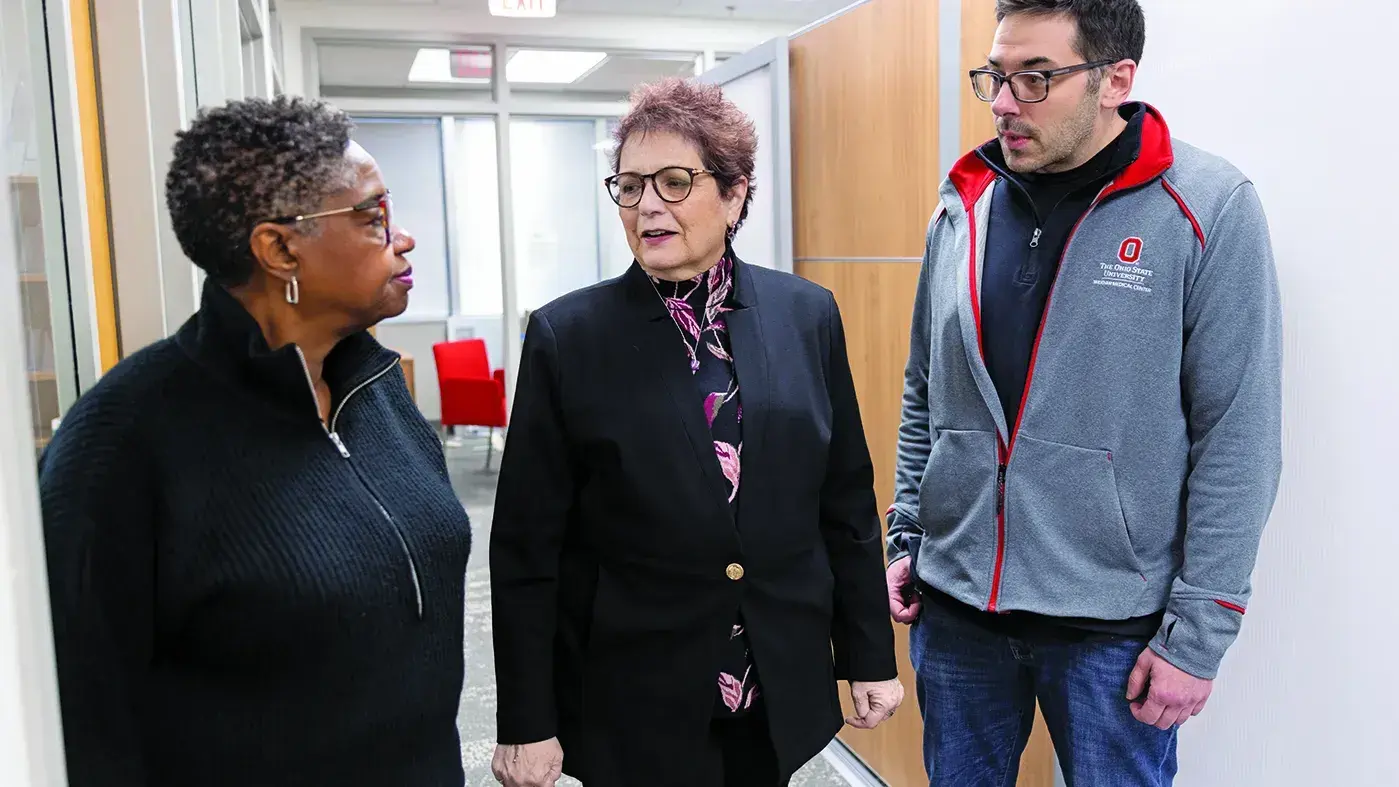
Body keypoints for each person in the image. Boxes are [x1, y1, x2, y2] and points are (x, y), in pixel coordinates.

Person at [884, 1, 1282, 785]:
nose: (1003, 101)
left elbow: (1238, 434)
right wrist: (906, 530)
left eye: (1035, 77)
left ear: (1114, 79)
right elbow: (924, 390)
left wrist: (1197, 635)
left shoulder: (1205, 206)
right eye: (995, 76)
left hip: (1113, 631)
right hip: (958, 611)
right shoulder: (962, 203)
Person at [38, 96, 473, 787]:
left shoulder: (374, 384)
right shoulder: (121, 443)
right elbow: (86, 722)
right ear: (278, 248)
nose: (403, 236)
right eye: (372, 216)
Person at [489, 77, 902, 787]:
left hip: (774, 674)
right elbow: (527, 547)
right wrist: (527, 719)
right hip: (633, 687)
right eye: (629, 185)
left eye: (675, 182)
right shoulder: (567, 336)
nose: (647, 204)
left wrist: (866, 652)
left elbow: (844, 500)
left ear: (735, 193)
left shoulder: (805, 314)